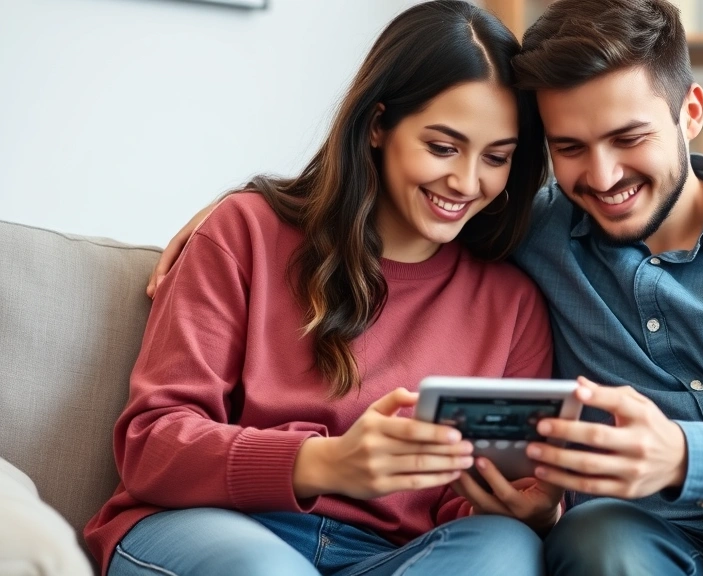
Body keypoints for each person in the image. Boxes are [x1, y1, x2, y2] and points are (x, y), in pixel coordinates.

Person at [149, 0, 703, 574]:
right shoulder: (531, 231)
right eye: (570, 149)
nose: (605, 175)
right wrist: (247, 209)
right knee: (594, 536)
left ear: (690, 112)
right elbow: (382, 203)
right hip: (653, 537)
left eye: (628, 137)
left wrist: (685, 455)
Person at [84, 2, 564, 575]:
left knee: (506, 551)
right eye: (442, 147)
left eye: (497, 157)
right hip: (219, 527)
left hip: (386, 557)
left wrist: (523, 507)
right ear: (379, 124)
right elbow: (152, 443)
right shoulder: (246, 233)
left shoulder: (511, 303)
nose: (466, 181)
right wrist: (325, 463)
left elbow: (459, 505)